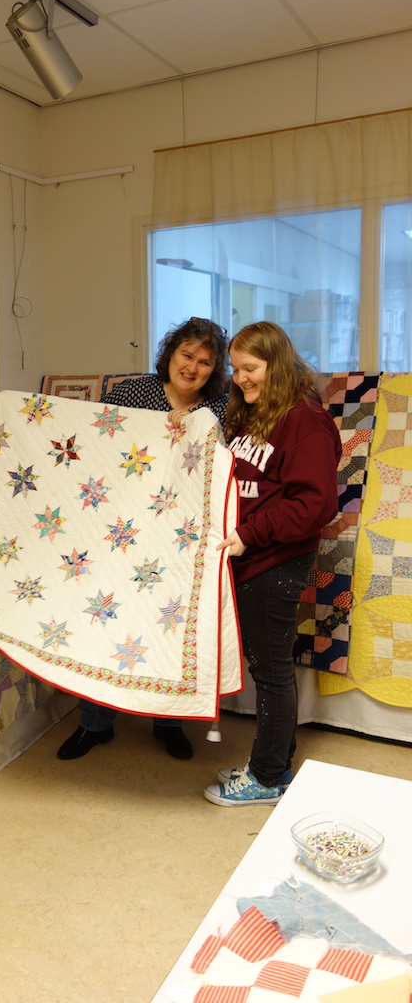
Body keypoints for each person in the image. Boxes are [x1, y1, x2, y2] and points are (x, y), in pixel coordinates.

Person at [57, 316, 230, 762]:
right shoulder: (134, 393)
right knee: (104, 619)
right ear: (170, 354)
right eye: (186, 355)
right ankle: (95, 724)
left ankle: (168, 723)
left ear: (215, 370)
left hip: (180, 539)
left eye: (205, 362)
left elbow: (228, 466)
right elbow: (89, 438)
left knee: (169, 626)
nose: (192, 368)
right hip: (120, 532)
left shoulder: (223, 407)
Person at [204, 321, 341, 806]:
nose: (239, 378)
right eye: (235, 369)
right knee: (269, 666)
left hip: (275, 558)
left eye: (250, 368)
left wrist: (248, 534)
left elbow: (314, 504)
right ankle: (277, 767)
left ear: (276, 364)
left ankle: (264, 778)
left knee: (272, 670)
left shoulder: (304, 420)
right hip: (251, 556)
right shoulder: (255, 413)